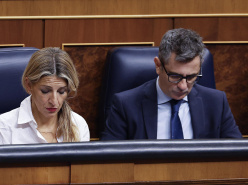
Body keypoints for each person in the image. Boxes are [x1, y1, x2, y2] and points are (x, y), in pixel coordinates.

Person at [101, 28, 242, 140]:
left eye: (191, 77)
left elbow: (236, 156)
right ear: (158, 66)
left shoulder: (216, 103)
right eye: (175, 76)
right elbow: (110, 160)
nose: (183, 86)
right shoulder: (126, 105)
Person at [0, 47, 90, 145]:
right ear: (29, 85)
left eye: (61, 92)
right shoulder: (5, 126)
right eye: (45, 91)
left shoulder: (78, 125)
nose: (54, 101)